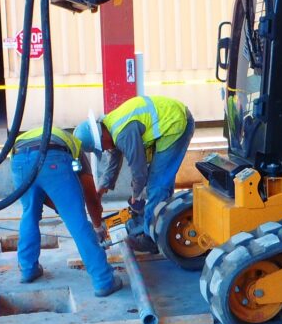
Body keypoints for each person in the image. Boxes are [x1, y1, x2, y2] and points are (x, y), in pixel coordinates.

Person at [9, 125, 122, 296]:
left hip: (19, 160)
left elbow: (45, 196)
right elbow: (91, 197)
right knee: (77, 221)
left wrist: (61, 207)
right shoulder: (75, 148)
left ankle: (27, 269)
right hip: (52, 157)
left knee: (29, 213)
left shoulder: (46, 133)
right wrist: (98, 227)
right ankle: (104, 280)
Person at [75, 95, 194, 246]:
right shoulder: (110, 125)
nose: (105, 149)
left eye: (103, 147)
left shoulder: (123, 133)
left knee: (157, 184)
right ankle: (163, 222)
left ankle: (150, 238)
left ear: (101, 136)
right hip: (171, 119)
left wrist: (136, 196)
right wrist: (100, 191)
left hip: (176, 123)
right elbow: (113, 162)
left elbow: (139, 170)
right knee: (160, 181)